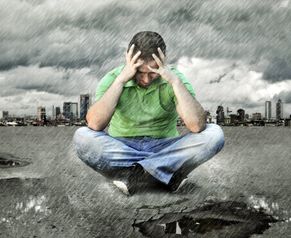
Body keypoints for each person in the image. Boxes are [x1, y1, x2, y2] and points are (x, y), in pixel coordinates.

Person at [73, 31, 224, 195]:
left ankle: (135, 172)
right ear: (128, 59)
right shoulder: (113, 79)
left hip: (165, 148)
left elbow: (196, 125)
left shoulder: (175, 79)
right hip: (122, 148)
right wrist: (121, 81)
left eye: (152, 71)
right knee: (82, 136)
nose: (146, 79)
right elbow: (95, 124)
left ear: (163, 60)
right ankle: (161, 171)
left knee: (215, 134)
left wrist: (174, 81)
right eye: (139, 72)